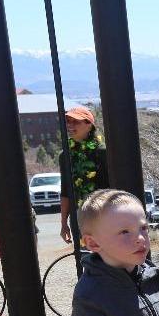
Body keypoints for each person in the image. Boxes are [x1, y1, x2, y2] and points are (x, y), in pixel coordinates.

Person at [59, 105, 109, 244]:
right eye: (68, 121)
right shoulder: (65, 156)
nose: (70, 125)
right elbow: (65, 191)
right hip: (79, 218)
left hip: (104, 216)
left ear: (89, 125)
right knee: (85, 259)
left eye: (76, 121)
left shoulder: (103, 152)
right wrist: (64, 224)